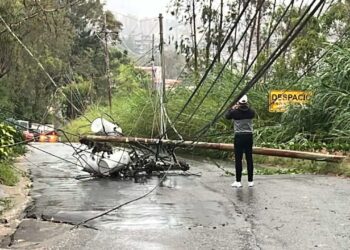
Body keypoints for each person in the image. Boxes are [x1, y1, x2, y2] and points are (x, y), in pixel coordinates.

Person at [225, 95, 255, 188]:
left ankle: (238, 181)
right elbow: (249, 111)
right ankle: (250, 181)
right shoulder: (251, 112)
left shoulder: (234, 112)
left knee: (238, 159)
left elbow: (227, 116)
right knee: (249, 159)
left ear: (239, 102)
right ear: (246, 102)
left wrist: (232, 108)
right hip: (249, 136)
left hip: (239, 137)